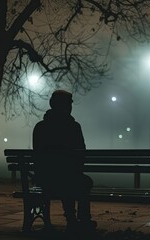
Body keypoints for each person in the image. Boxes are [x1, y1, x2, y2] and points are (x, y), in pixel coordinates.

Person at [32, 89, 96, 234]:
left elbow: (38, 155)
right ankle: (82, 220)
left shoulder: (41, 127)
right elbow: (81, 154)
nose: (71, 106)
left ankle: (72, 220)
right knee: (82, 181)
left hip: (45, 179)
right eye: (69, 103)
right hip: (68, 178)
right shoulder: (73, 127)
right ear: (66, 106)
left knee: (67, 179)